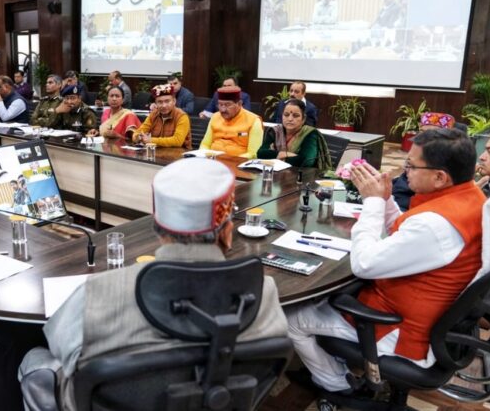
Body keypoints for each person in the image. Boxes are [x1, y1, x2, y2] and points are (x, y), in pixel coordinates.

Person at [18, 158, 290, 410]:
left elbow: (59, 347)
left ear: (159, 232)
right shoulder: (264, 293)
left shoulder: (98, 292)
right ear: (228, 233)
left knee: (33, 360)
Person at [286, 129, 486, 394]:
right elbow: (406, 234)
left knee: (292, 317)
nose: (405, 173)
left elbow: (364, 264)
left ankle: (335, 383)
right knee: (324, 297)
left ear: (440, 177)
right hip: (423, 311)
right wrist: (386, 199)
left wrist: (372, 202)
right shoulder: (469, 198)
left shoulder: (436, 225)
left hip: (400, 328)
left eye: (411, 166)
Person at [391, 112, 460, 211]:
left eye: (432, 134)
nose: (423, 139)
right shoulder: (415, 156)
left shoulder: (451, 163)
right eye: (422, 133)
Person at [257, 98, 331, 171]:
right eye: (286, 115)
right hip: (277, 174)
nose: (290, 119)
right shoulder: (276, 131)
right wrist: (284, 154)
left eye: (295, 116)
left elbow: (306, 161)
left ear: (303, 119)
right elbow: (261, 153)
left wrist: (274, 156)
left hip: (303, 175)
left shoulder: (310, 133)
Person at [199, 87, 263, 158]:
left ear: (239, 104)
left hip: (238, 162)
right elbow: (205, 144)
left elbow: (253, 153)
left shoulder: (253, 120)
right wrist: (204, 155)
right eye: (220, 104)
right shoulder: (215, 117)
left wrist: (232, 160)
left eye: (227, 105)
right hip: (213, 160)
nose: (223, 110)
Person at [131, 84, 191, 149]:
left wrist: (151, 140)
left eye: (167, 101)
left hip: (179, 153)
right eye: (160, 102)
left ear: (174, 101)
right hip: (157, 152)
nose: (164, 105)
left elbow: (177, 141)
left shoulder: (181, 116)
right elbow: (137, 133)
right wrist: (139, 137)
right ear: (155, 103)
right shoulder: (154, 114)